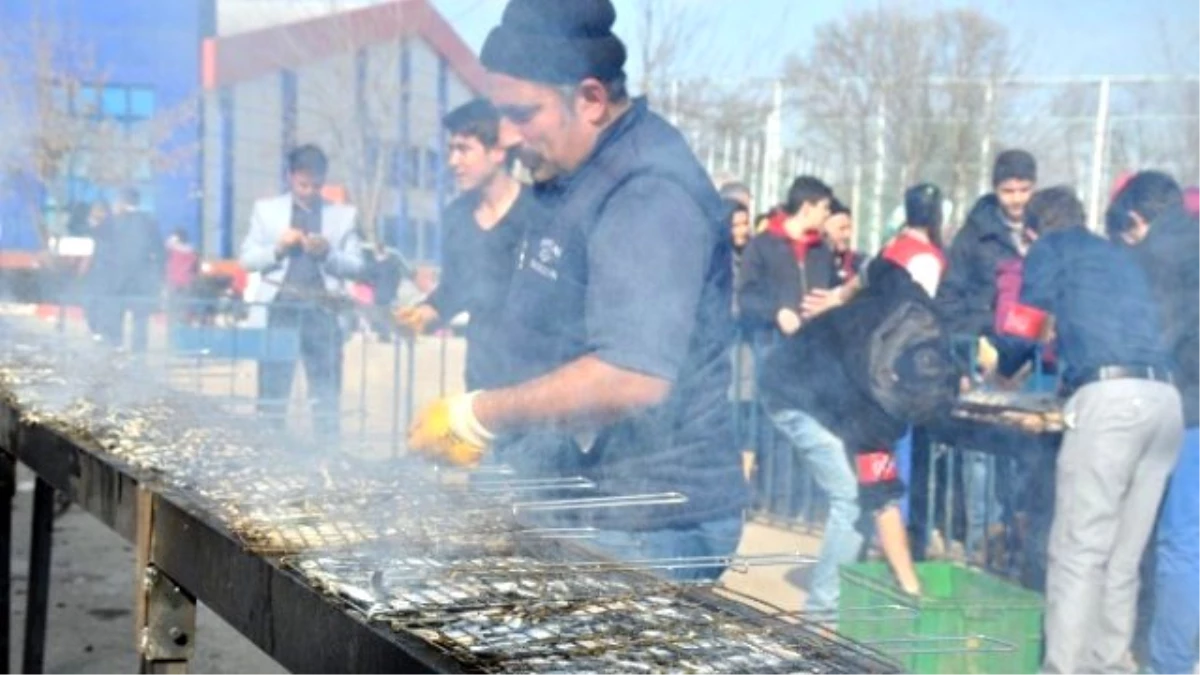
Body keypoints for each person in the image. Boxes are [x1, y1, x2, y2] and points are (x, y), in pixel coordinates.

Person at [407, 0, 746, 580]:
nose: (508, 136)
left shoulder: (649, 192)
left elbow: (631, 374)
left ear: (589, 99)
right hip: (570, 486)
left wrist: (481, 413)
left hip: (651, 518)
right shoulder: (567, 171)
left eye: (523, 114)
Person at [1009, 186, 1182, 675]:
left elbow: (1026, 321)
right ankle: (1110, 665)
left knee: (1078, 548)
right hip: (1165, 401)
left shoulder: (1050, 247)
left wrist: (1004, 365)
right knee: (1123, 555)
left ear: (1032, 229)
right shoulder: (1116, 254)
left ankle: (1063, 669)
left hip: (1111, 402)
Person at [759, 255, 958, 619]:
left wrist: (840, 295)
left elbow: (878, 265)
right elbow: (883, 502)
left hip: (824, 375)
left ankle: (846, 591)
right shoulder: (871, 414)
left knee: (858, 500)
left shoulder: (915, 305)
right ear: (896, 387)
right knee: (851, 498)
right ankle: (822, 615)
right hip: (789, 390)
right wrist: (911, 584)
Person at [1106, 171, 1200, 675]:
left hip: (1180, 410)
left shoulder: (1153, 260)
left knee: (1174, 541)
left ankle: (1168, 662)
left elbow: (1151, 339)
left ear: (1138, 218)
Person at [395, 98, 541, 390]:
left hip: (541, 382)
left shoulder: (542, 213)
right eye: (451, 150)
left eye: (464, 150)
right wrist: (422, 315)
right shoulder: (456, 217)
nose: (453, 162)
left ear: (498, 152)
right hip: (482, 378)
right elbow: (453, 292)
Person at [239, 144, 363, 440]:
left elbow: (357, 266)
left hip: (323, 313)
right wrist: (278, 249)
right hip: (280, 310)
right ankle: (269, 448)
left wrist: (328, 254)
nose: (308, 191)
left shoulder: (343, 217)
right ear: (290, 177)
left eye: (316, 185)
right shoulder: (266, 212)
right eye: (302, 184)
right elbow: (247, 259)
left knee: (325, 391)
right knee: (273, 389)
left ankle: (327, 453)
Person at [736, 176, 834, 338]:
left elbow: (834, 291)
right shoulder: (761, 246)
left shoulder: (822, 251)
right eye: (824, 208)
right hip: (772, 346)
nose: (827, 214)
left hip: (815, 347)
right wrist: (777, 312)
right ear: (807, 208)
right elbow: (747, 296)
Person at [89, 188, 164, 353]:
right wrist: (159, 277)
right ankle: (138, 355)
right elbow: (159, 251)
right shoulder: (149, 221)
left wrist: (95, 222)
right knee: (140, 319)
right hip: (142, 280)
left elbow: (98, 237)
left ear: (122, 202)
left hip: (117, 279)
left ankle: (116, 348)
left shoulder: (114, 221)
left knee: (115, 314)